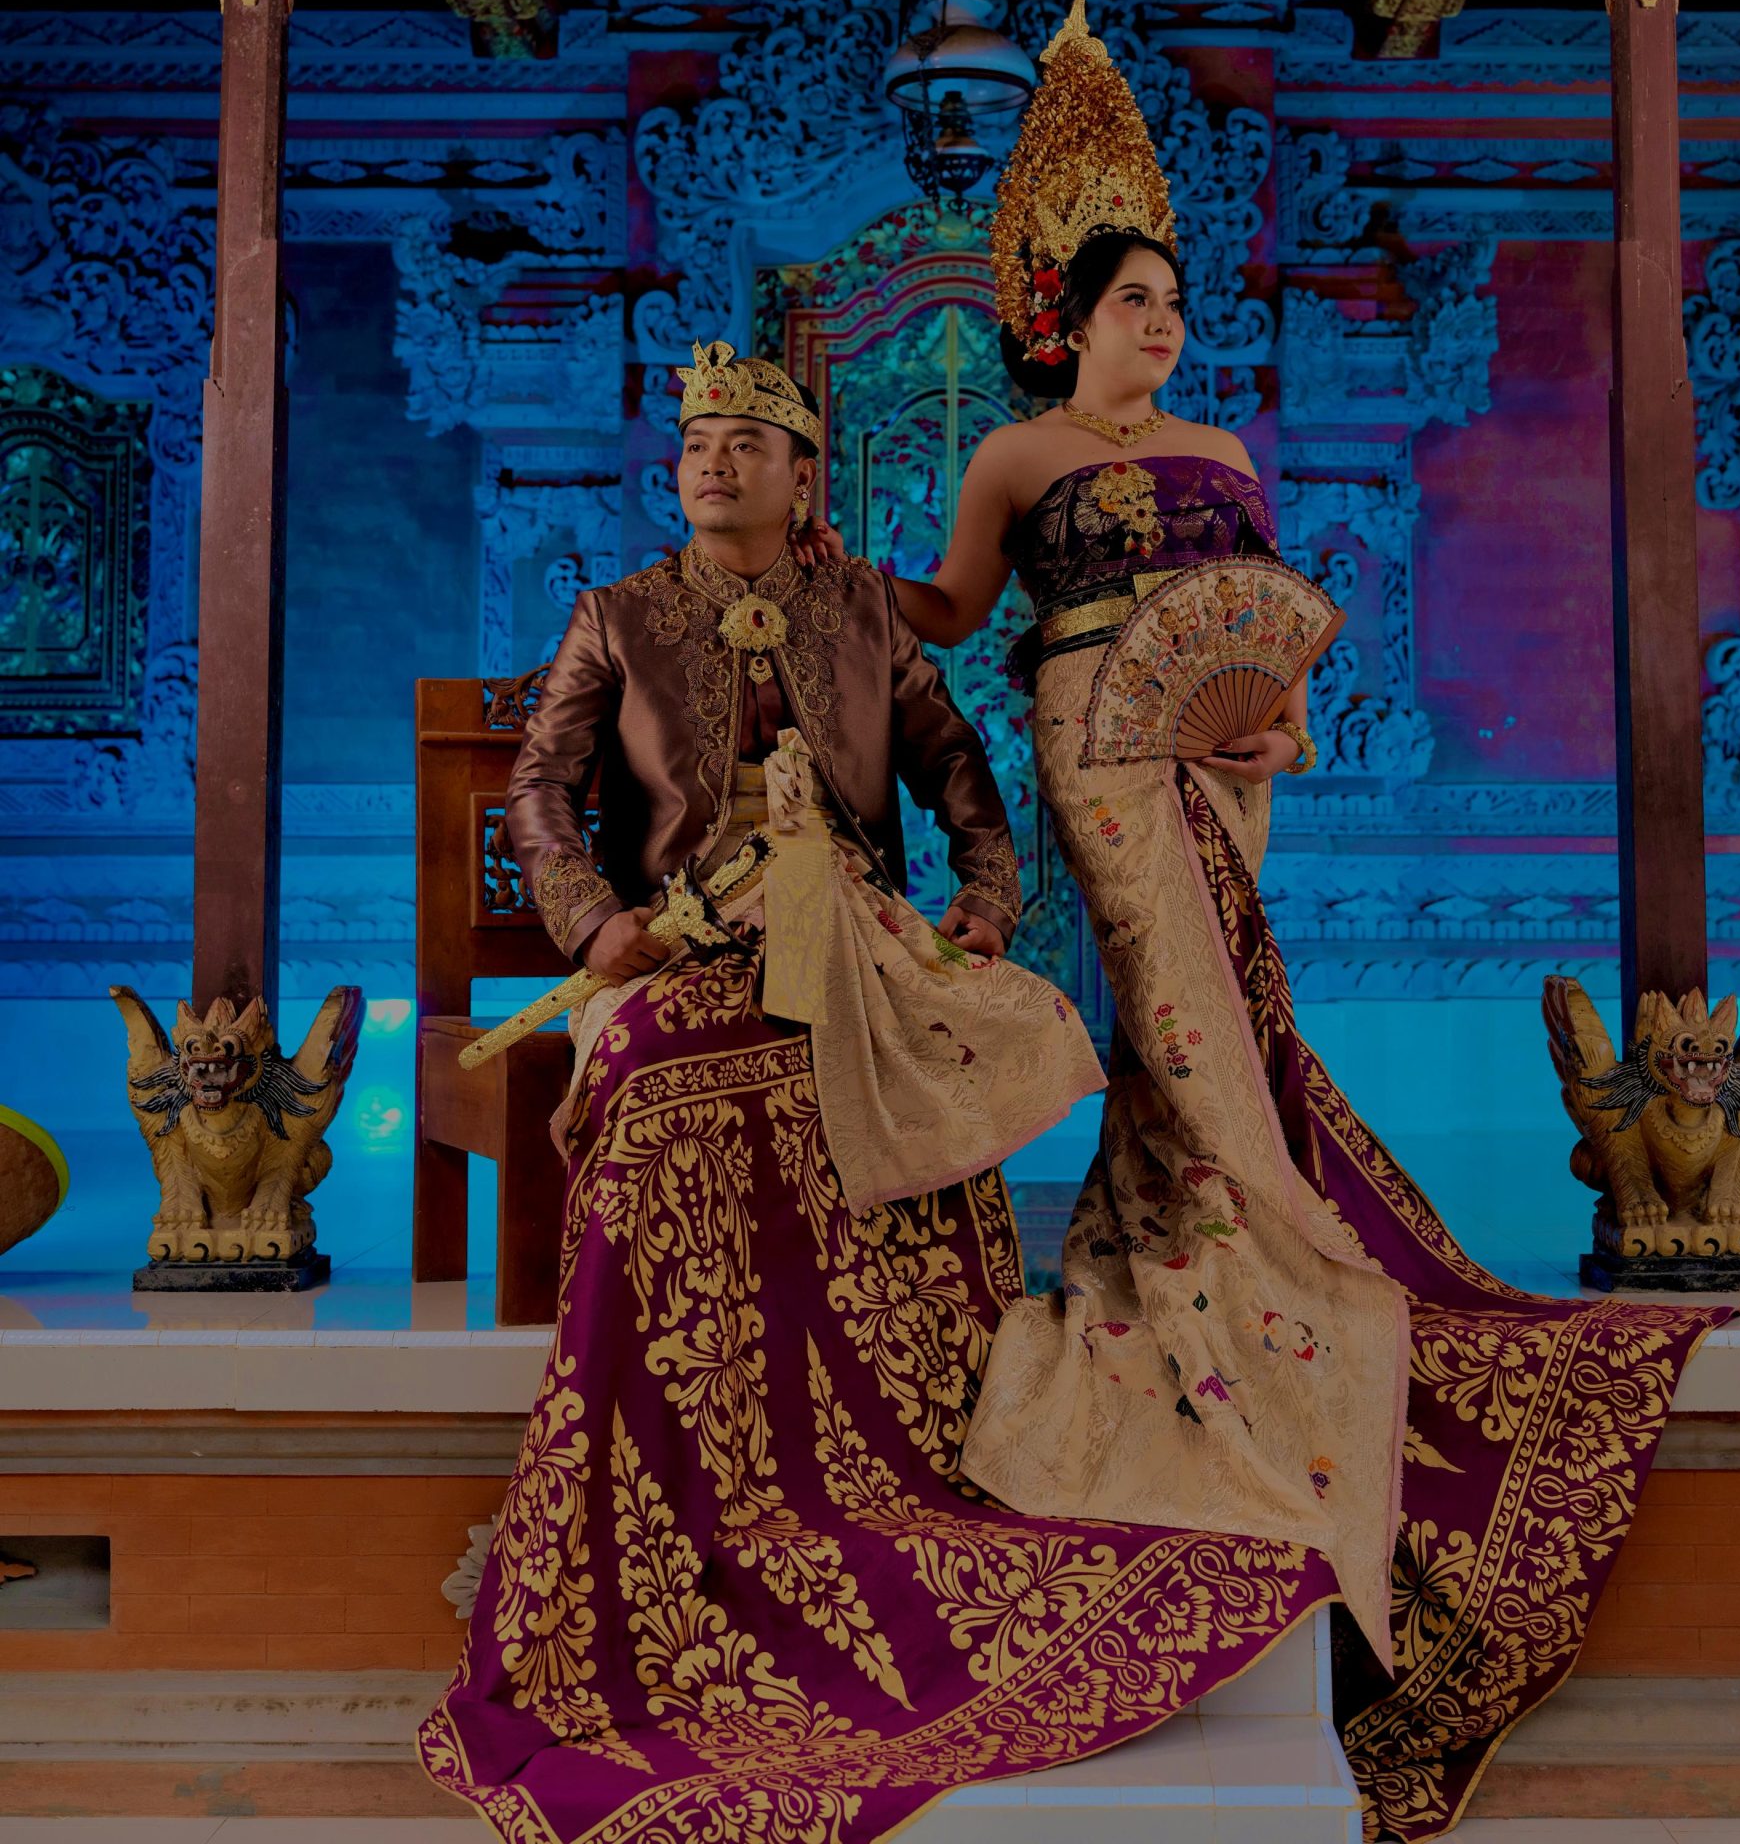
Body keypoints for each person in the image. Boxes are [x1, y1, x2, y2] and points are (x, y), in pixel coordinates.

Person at [816, 0, 1734, 1841]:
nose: (1161, 325)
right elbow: (960, 612)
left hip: (1219, 751)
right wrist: (841, 577)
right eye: (1132, 302)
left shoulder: (1226, 451)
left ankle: (1197, 1237)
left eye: (1172, 303)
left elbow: (1266, 628)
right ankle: (1262, 1236)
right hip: (1089, 732)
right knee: (1168, 987)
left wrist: (1278, 723)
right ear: (1068, 315)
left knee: (1224, 996)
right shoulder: (1015, 458)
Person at [421, 340, 1330, 1844]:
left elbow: (959, 767)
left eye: (746, 445)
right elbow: (540, 784)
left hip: (858, 945)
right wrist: (592, 923)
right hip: (684, 949)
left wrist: (985, 892)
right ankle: (683, 1485)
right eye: (696, 444)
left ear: (801, 478)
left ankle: (919, 1450)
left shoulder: (862, 611)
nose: (714, 463)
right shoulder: (618, 617)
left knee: (968, 1056)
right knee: (665, 1094)